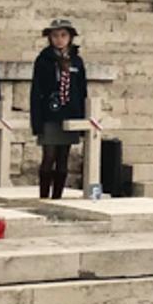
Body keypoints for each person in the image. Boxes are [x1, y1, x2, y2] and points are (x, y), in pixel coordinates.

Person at [31, 19, 88, 199]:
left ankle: (58, 196)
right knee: (49, 156)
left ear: (70, 38)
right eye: (55, 36)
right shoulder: (43, 60)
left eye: (63, 35)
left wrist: (82, 119)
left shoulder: (76, 61)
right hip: (49, 114)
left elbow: (82, 89)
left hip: (69, 113)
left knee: (63, 157)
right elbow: (36, 90)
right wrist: (36, 121)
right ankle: (43, 195)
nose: (59, 40)